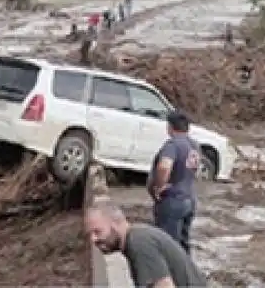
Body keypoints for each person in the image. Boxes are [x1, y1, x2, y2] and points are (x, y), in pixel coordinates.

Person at [85, 201, 208, 288]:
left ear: (115, 224)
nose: (93, 239)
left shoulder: (138, 243)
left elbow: (164, 286)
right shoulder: (137, 237)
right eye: (90, 234)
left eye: (97, 231)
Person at [146, 111, 200, 255]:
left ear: (170, 127)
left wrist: (159, 186)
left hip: (173, 200)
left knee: (168, 245)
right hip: (190, 198)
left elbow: (164, 166)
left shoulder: (173, 145)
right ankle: (186, 274)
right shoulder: (194, 145)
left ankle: (171, 275)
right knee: (183, 245)